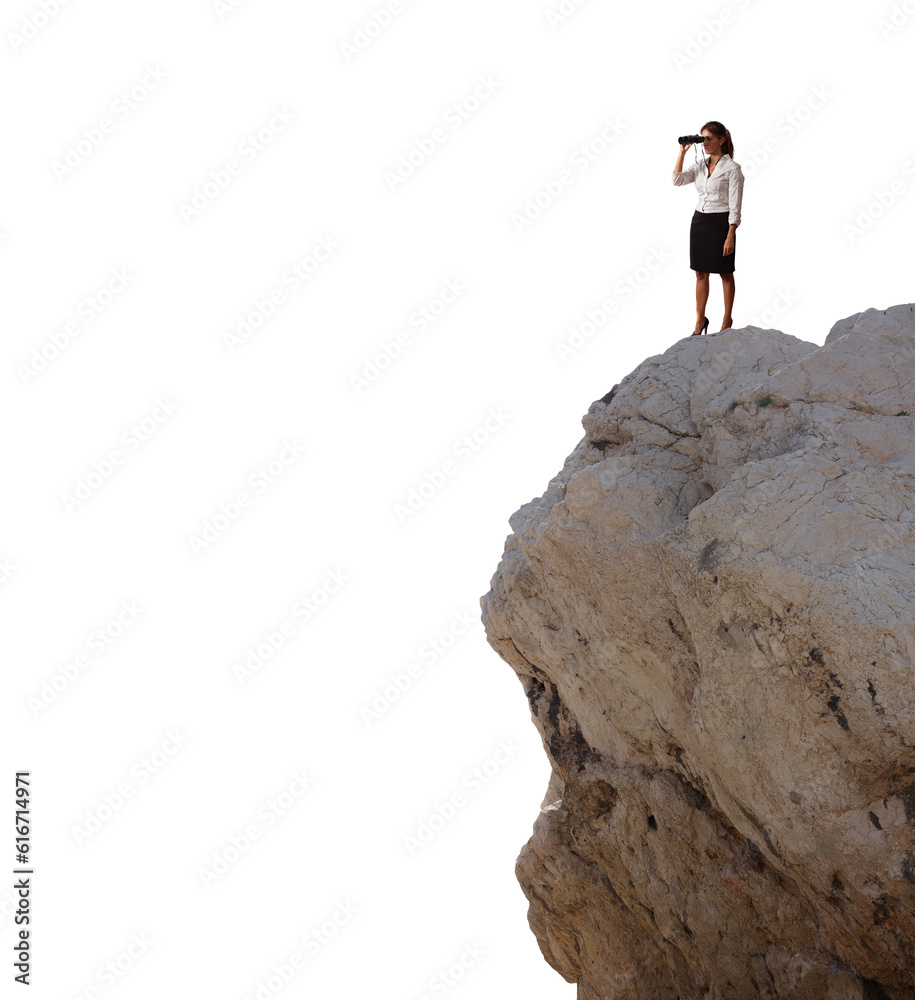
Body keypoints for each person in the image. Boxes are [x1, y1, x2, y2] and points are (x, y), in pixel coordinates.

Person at [672, 121, 744, 335]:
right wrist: (682, 152)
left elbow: (735, 205)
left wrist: (730, 234)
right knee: (700, 273)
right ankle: (699, 320)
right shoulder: (700, 165)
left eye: (709, 138)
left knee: (725, 273)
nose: (704, 143)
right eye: (702, 138)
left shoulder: (732, 169)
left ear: (721, 140)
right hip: (700, 222)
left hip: (721, 223)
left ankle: (726, 320)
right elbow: (677, 180)